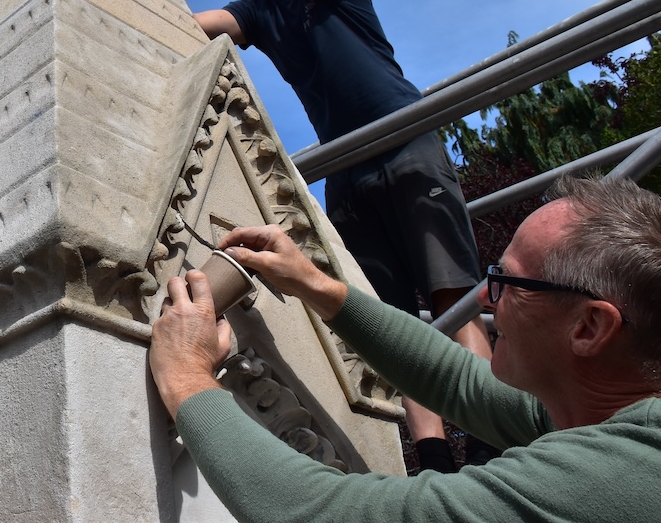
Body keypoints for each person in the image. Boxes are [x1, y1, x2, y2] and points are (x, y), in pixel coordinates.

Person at [145, 0, 492, 469]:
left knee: (452, 290)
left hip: (405, 141)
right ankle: (432, 452)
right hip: (346, 167)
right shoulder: (259, 13)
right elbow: (184, 27)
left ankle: (486, 427)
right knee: (391, 317)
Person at [149, 175, 661, 522]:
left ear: (590, 328)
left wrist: (189, 379)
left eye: (508, 281)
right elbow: (456, 382)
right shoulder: (604, 404)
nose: (484, 296)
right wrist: (316, 285)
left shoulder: (618, 477)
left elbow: (327, 513)